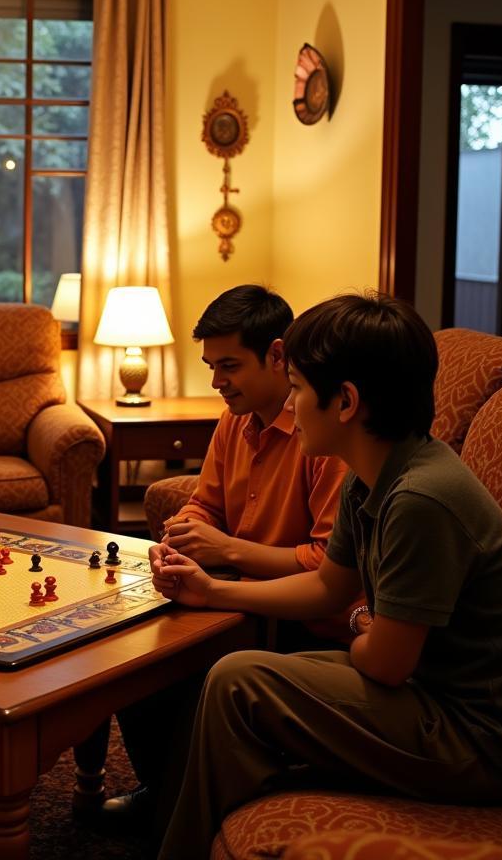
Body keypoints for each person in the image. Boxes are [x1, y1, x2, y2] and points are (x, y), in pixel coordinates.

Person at [154, 293, 502, 860]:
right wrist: (212, 590)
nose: (290, 404)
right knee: (229, 672)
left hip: (473, 735)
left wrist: (363, 621)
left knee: (239, 681)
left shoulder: (423, 496)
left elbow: (387, 661)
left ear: (345, 402)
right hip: (424, 692)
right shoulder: (371, 476)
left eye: (296, 388)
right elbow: (327, 588)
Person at [96, 285, 350, 829]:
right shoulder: (234, 419)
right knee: (127, 646)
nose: (217, 382)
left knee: (174, 667)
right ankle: (161, 788)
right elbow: (204, 503)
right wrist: (184, 532)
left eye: (229, 365)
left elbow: (329, 567)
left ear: (279, 356)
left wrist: (226, 549)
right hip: (236, 590)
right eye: (212, 366)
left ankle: (188, 804)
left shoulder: (325, 436)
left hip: (298, 619)